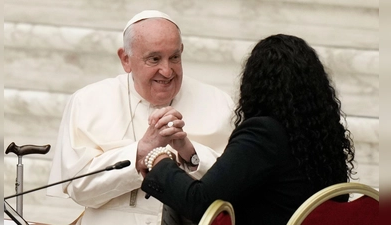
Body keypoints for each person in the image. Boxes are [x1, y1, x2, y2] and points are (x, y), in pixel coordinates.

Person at [140, 34, 356, 225]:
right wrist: (187, 150)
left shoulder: (263, 134)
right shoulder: (324, 139)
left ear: (256, 84)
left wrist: (157, 158)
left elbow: (200, 203)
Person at [46, 10, 234, 225]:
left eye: (174, 57)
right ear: (126, 59)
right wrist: (140, 152)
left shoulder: (219, 103)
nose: (167, 71)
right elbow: (78, 188)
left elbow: (234, 187)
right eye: (154, 59)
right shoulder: (87, 101)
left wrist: (190, 153)